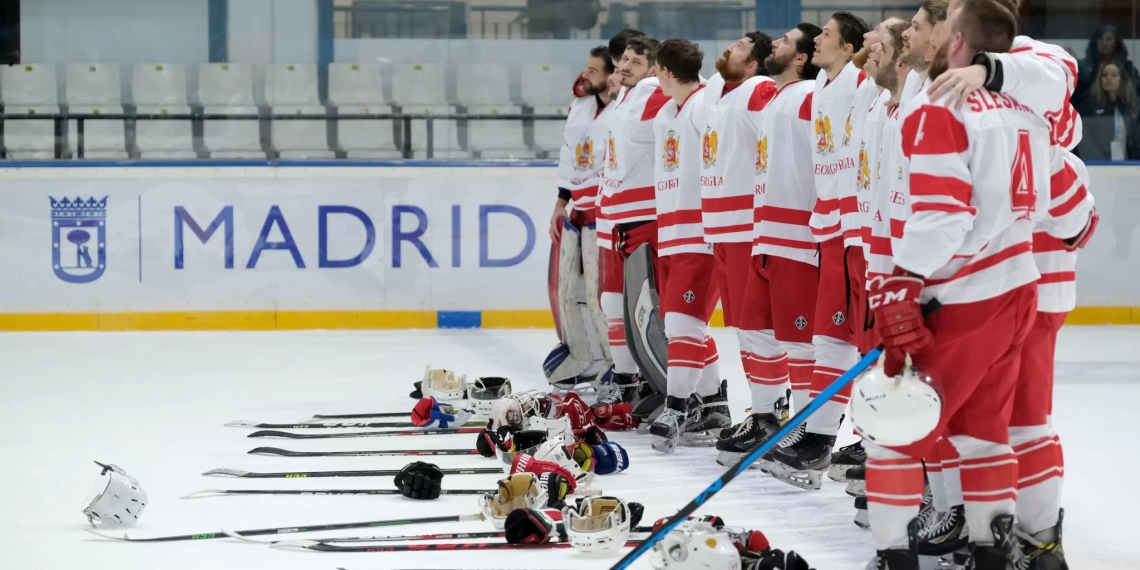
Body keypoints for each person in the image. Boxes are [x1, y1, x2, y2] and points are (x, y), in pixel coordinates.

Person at [862, 0, 1075, 566]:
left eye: (946, 26)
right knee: (984, 433)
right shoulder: (1026, 111)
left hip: (963, 296)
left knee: (895, 428)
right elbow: (1052, 204)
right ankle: (989, 551)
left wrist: (901, 283)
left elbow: (941, 216)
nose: (933, 36)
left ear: (960, 43)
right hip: (1017, 289)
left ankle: (891, 554)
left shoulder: (943, 106)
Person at [764, 11, 869, 492]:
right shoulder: (824, 90)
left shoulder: (862, 86)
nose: (819, 37)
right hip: (830, 227)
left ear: (849, 49)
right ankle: (821, 436)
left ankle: (871, 438)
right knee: (831, 338)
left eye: (828, 33)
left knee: (860, 342)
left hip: (859, 229)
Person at [714, 23, 822, 468]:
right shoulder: (776, 96)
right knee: (755, 329)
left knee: (800, 341)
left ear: (801, 58)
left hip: (798, 236)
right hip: (764, 232)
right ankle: (767, 418)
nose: (775, 42)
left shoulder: (808, 98)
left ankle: (806, 429)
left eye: (785, 41)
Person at [645, 38, 724, 452]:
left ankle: (677, 407)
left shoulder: (705, 105)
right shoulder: (665, 112)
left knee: (681, 324)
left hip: (702, 233)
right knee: (684, 323)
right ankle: (716, 404)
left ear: (663, 69)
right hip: (672, 231)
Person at [698, 32, 778, 436]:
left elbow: (778, 145)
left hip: (747, 229)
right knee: (744, 333)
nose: (729, 46)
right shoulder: (726, 94)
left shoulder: (758, 89)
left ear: (753, 64)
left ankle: (771, 415)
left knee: (758, 330)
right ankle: (761, 413)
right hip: (725, 231)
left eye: (741, 47)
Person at [595, 35, 672, 411]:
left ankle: (664, 385)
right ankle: (627, 380)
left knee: (650, 310)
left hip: (646, 218)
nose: (624, 66)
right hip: (619, 219)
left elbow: (692, 97)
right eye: (623, 59)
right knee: (613, 303)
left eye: (635, 62)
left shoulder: (650, 90)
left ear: (655, 69)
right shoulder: (625, 96)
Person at [1077, 61, 1140, 160]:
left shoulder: (1134, 107)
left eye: (1114, 75)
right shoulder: (1089, 106)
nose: (1108, 78)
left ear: (1122, 79)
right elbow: (1085, 137)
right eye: (1105, 75)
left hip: (1131, 166)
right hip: (1097, 164)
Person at [1074, 24, 1140, 108]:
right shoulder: (1084, 68)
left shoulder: (1128, 68)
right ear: (1095, 42)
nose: (1104, 43)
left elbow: (1135, 95)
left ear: (1116, 43)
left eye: (1109, 39)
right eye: (1100, 39)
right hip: (1090, 113)